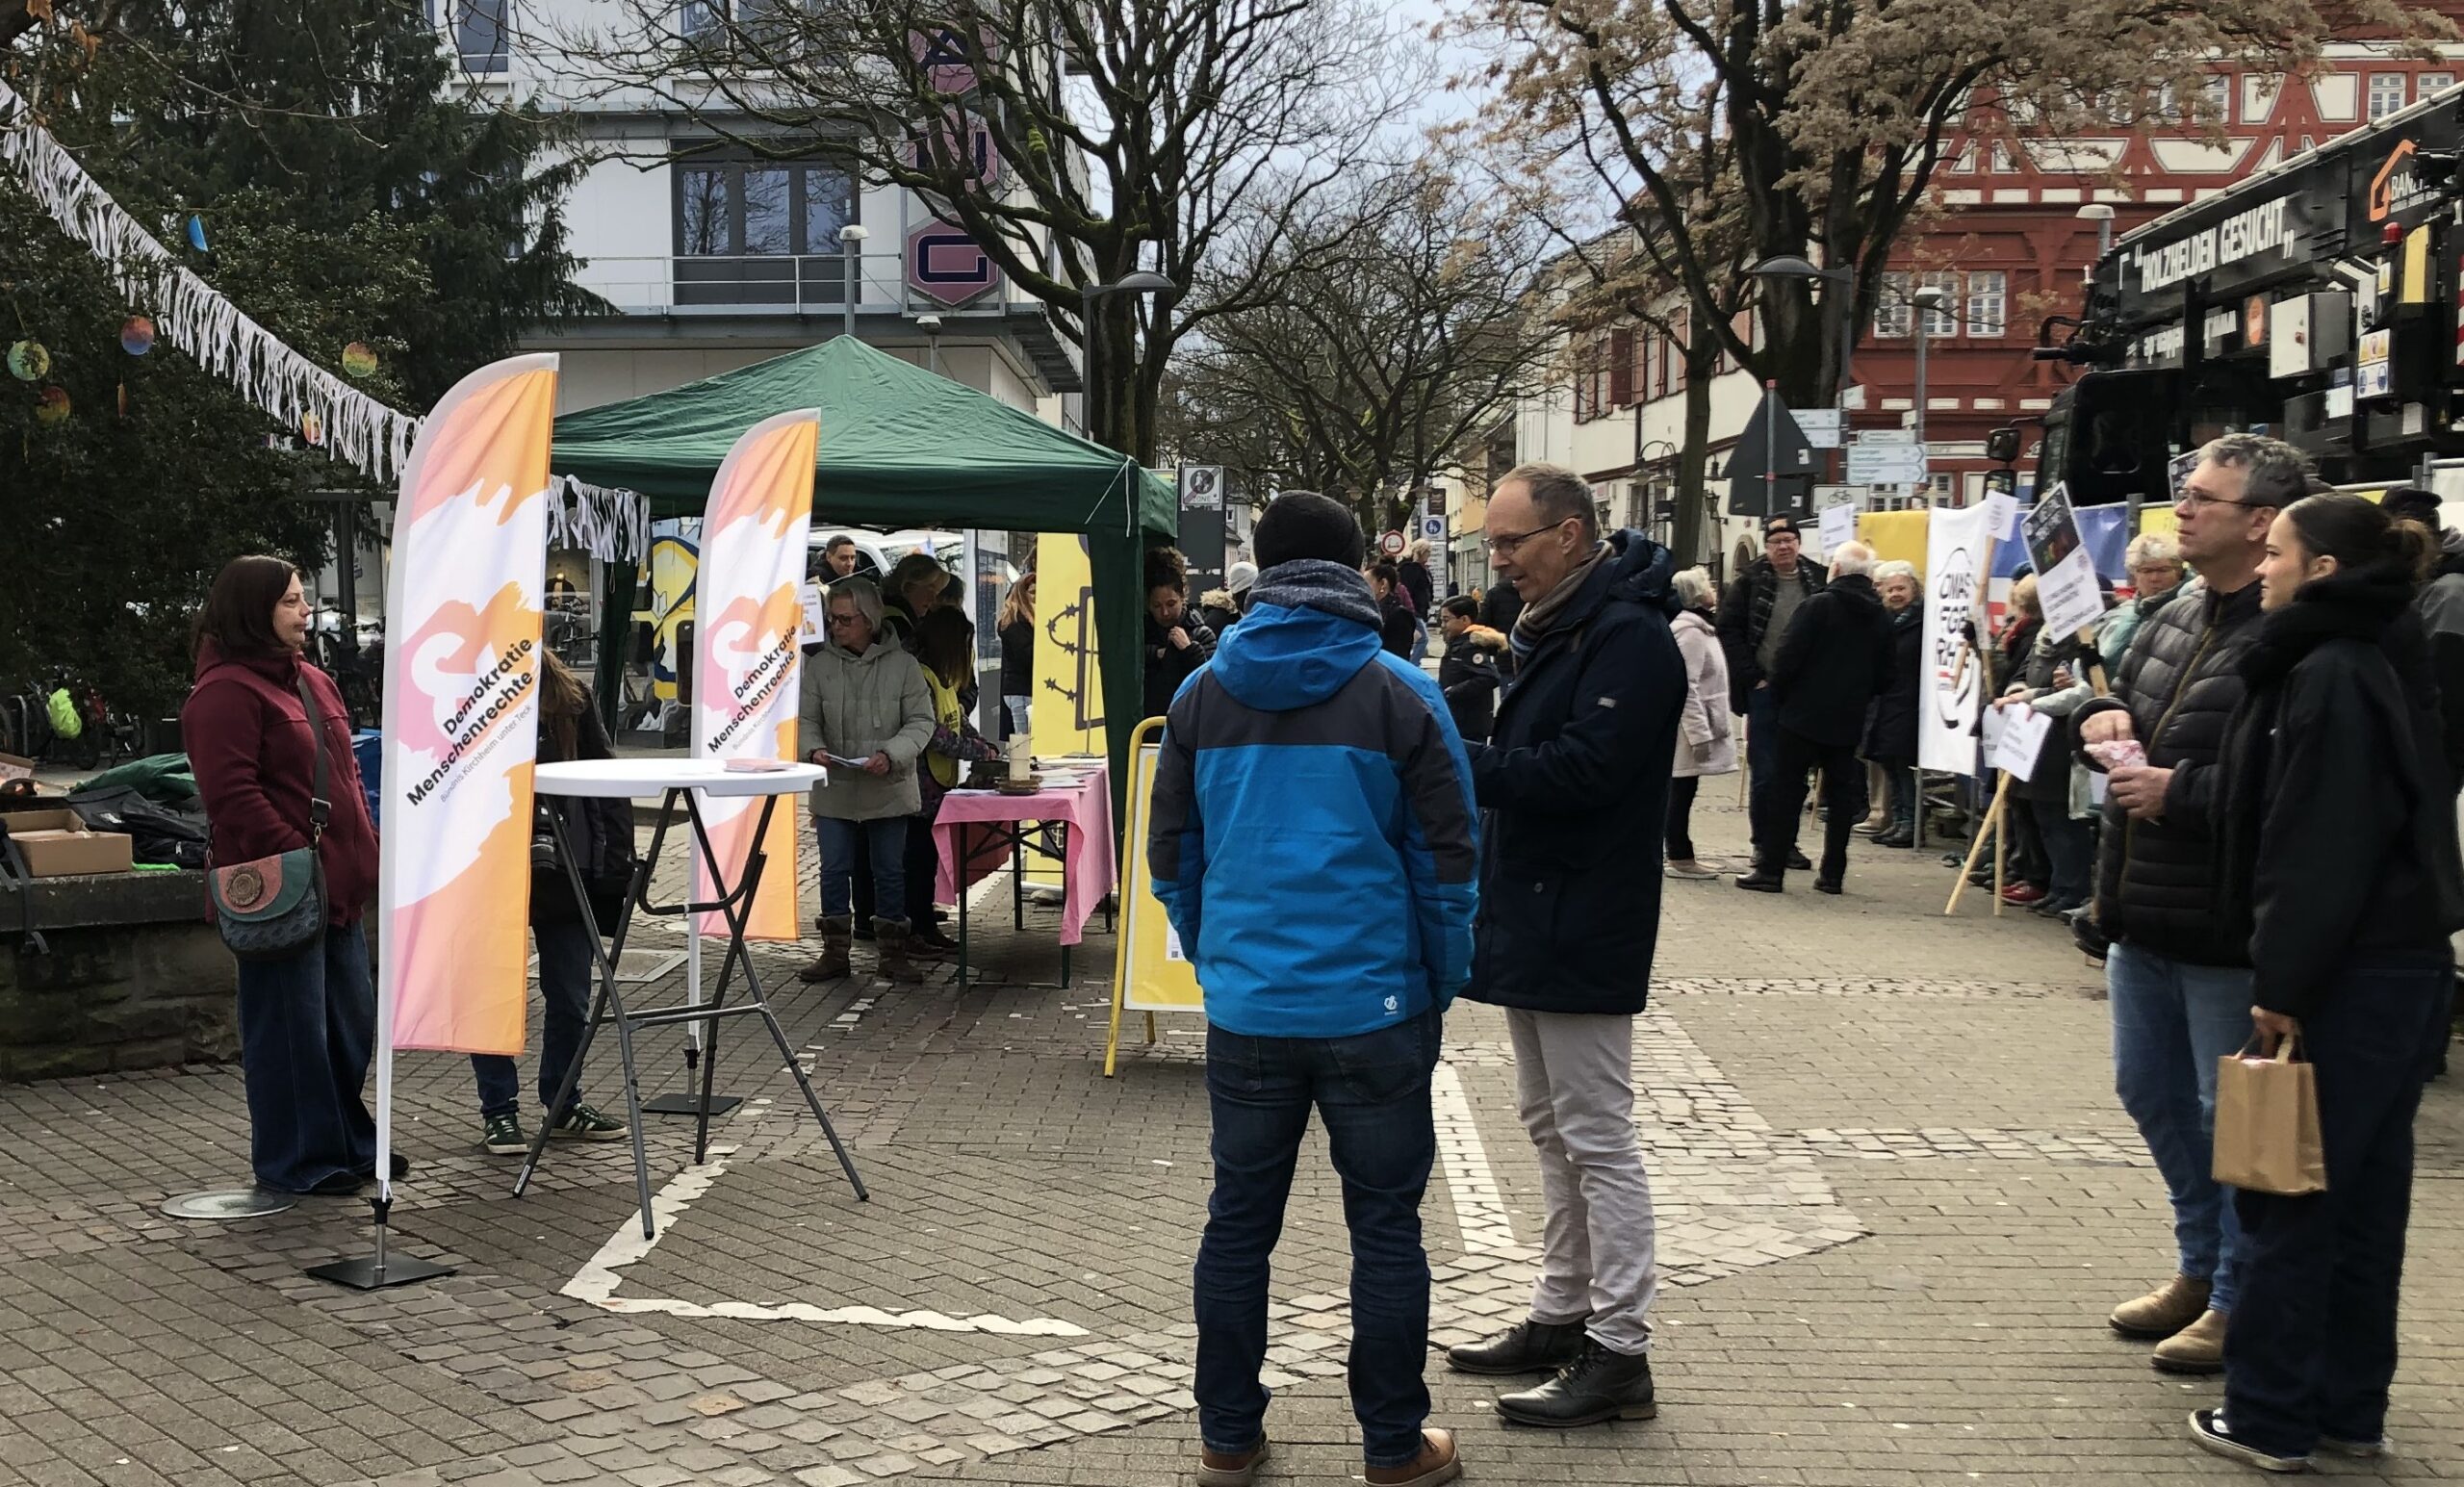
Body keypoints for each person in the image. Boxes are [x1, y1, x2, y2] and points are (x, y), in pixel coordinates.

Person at [1148, 491, 1476, 1487]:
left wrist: (1218, 960)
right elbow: (1450, 863)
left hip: (1249, 1009)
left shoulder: (1202, 694)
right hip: (1374, 1006)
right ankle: (1391, 1446)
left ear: (1261, 563)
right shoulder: (1402, 694)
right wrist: (1436, 982)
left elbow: (1171, 856)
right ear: (1355, 572)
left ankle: (1227, 1437)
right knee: (1385, 1228)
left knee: (1238, 1223)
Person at [2186, 492, 2464, 1473]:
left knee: (2289, 1191)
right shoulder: (2375, 653)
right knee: (2361, 1196)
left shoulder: (2330, 670)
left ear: (2323, 570)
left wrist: (2284, 984)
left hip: (2350, 971)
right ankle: (2348, 1408)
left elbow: (2319, 843)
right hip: (2399, 961)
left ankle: (2269, 1415)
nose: (2262, 565)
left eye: (2277, 551)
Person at [1445, 461, 1681, 1429]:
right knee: (1550, 1126)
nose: (1497, 564)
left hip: (1584, 913)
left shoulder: (1629, 640)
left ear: (1573, 535)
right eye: (1494, 544)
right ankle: (1561, 1310)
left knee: (1596, 1136)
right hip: (1542, 907)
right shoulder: (1563, 629)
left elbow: (1585, 771)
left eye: (1511, 543)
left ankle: (1619, 1349)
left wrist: (1464, 765)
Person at [2072, 432, 2302, 1375]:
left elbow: (2288, 785)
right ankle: (2198, 1266)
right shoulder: (2170, 615)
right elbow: (2115, 705)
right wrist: (2101, 721)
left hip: (2220, 925)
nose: (2183, 509)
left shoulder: (2283, 636)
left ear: (2259, 521)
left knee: (2226, 1120)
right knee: (2151, 1094)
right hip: (2141, 912)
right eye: (2184, 494)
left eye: (2204, 497)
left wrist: (2183, 793)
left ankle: (2238, 1296)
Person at [182, 555, 384, 1195]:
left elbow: (346, 774)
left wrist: (364, 849)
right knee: (290, 1034)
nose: (306, 611)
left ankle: (346, 1143)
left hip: (337, 888)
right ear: (254, 610)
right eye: (292, 601)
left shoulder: (311, 680)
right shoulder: (223, 694)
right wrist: (298, 851)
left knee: (349, 1028)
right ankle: (298, 1160)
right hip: (288, 888)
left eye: (303, 599)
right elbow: (232, 795)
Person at [472, 651, 631, 1154]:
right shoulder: (470, 698)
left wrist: (616, 864)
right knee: (494, 993)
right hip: (491, 864)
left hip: (566, 867)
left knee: (570, 996)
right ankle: (498, 1110)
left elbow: (607, 780)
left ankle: (563, 1101)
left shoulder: (572, 698)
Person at [798, 577, 937, 986]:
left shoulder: (904, 666)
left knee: (890, 870)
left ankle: (892, 953)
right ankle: (835, 952)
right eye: (832, 619)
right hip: (836, 784)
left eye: (844, 620)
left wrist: (890, 754)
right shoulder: (821, 665)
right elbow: (806, 720)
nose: (836, 627)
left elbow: (921, 721)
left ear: (870, 620)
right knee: (834, 869)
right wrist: (813, 750)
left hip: (888, 784)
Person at [1736, 542, 1894, 895]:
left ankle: (1771, 869)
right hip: (1848, 718)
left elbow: (1786, 657)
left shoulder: (1818, 606)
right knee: (1840, 798)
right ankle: (1832, 873)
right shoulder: (1879, 615)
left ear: (1835, 569)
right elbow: (1887, 673)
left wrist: (1780, 697)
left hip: (1801, 715)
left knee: (1787, 791)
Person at [1719, 516, 1826, 870]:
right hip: (1764, 689)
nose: (1783, 546)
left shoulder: (1818, 578)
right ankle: (1764, 842)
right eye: (1776, 540)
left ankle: (1787, 842)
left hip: (1806, 691)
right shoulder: (1750, 580)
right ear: (1767, 547)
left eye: (1789, 540)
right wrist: (1752, 677)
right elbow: (1729, 630)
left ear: (1799, 543)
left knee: (1796, 773)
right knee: (1765, 771)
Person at [897, 607, 1002, 956]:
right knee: (916, 862)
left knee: (927, 862)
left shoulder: (940, 677)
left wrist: (983, 745)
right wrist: (978, 752)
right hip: (917, 789)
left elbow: (954, 717)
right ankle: (914, 929)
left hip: (935, 788)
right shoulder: (920, 676)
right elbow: (933, 733)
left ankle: (925, 925)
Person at [1995, 581, 2098, 916]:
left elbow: (2084, 692)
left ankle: (2072, 888)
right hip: (2036, 738)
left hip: (2064, 740)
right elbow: (2024, 673)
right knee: (2045, 820)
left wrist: (2032, 700)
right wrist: (2018, 689)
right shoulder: (2044, 640)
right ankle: (2057, 885)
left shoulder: (2086, 641)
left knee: (2064, 823)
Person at [1666, 566, 1735, 882]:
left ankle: (1682, 853)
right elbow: (1687, 685)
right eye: (1708, 585)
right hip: (1689, 729)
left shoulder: (1701, 627)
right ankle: (1680, 855)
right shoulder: (1690, 632)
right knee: (1680, 791)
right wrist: (1699, 734)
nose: (1714, 590)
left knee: (1684, 790)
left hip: (1698, 724)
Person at [1863, 560, 1923, 848]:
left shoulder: (1923, 622)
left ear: (1914, 588)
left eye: (1902, 588)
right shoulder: (1883, 621)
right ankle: (1898, 819)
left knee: (1903, 764)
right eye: (1891, 590)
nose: (1896, 594)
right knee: (1889, 761)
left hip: (1908, 700)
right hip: (1885, 700)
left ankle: (1911, 823)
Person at [1144, 548, 1217, 718]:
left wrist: (1189, 650)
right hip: (1149, 727)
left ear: (1183, 596)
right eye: (1157, 606)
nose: (1165, 613)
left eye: (1171, 604)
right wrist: (1156, 653)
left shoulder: (1202, 634)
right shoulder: (1142, 632)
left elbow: (1212, 684)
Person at [2100, 533, 2187, 672]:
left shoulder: (2189, 610)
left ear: (2178, 571)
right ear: (2134, 575)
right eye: (2146, 571)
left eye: (2163, 570)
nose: (2154, 578)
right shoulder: (2131, 614)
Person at [1435, 595, 1503, 742]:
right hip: (1458, 719)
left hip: (1470, 723)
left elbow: (1490, 677)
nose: (1443, 625)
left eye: (1446, 620)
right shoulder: (1457, 643)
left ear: (1464, 620)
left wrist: (1453, 691)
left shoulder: (1470, 646)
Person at [997, 571, 1036, 740]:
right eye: (1033, 592)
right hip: (1021, 689)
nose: (1036, 597)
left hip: (1020, 689)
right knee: (1024, 741)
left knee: (1025, 739)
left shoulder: (1019, 619)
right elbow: (1027, 655)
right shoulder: (1016, 621)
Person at [1365, 561, 1422, 659]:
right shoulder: (1374, 610)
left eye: (1366, 583)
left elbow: (1398, 654)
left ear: (1383, 584)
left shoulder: (1399, 615)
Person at [1397, 537, 1436, 619]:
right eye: (1427, 551)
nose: (1429, 554)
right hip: (1415, 610)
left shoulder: (1424, 568)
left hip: (1423, 609)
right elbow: (1407, 589)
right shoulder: (1410, 568)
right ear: (1420, 552)